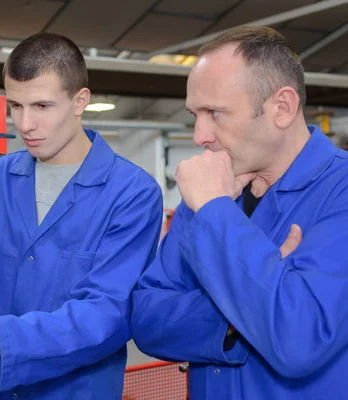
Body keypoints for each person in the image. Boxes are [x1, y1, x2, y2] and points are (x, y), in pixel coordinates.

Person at [0, 32, 163, 399]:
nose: (24, 125)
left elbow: (107, 314)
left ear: (79, 101)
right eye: (16, 107)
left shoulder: (132, 193)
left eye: (42, 106)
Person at [130, 25, 348, 399]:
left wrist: (216, 213)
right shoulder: (207, 192)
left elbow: (298, 338)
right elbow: (147, 320)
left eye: (215, 112)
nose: (199, 136)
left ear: (282, 108)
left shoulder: (338, 192)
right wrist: (255, 295)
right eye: (195, 114)